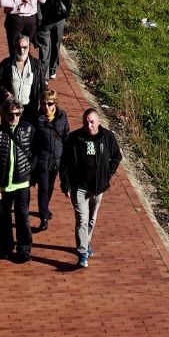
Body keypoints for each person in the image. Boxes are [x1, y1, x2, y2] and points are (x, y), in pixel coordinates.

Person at [59, 106, 123, 269]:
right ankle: (82, 253)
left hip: (98, 188)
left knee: (92, 219)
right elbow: (64, 163)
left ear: (99, 122)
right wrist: (65, 184)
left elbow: (116, 156)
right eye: (86, 122)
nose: (89, 126)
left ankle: (86, 243)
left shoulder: (107, 137)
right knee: (82, 219)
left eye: (92, 122)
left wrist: (107, 174)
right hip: (79, 187)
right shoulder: (74, 138)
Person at [0, 98, 36, 265]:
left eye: (17, 114)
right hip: (3, 184)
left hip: (22, 183)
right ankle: (6, 248)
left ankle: (24, 249)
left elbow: (36, 152)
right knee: (3, 217)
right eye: (11, 114)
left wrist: (30, 170)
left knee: (23, 216)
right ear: (4, 114)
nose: (14, 117)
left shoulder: (29, 129)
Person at [31, 85, 69, 230]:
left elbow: (66, 135)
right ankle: (43, 217)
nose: (46, 106)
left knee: (51, 186)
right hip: (42, 160)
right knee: (44, 188)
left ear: (55, 104)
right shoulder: (37, 119)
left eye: (50, 103)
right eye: (44, 103)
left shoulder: (62, 116)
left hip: (57, 160)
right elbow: (32, 141)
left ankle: (45, 208)